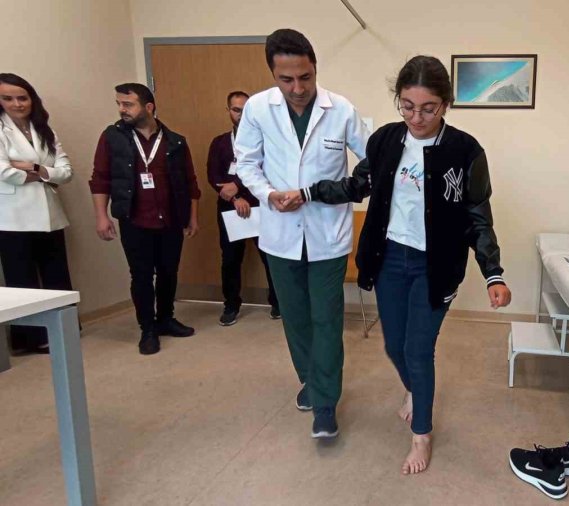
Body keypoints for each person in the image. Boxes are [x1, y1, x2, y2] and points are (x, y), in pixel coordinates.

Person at [301, 55, 512, 474]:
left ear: (445, 104)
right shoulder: (385, 140)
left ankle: (421, 435)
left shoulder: (465, 150)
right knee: (393, 345)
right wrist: (308, 192)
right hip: (390, 259)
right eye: (408, 106)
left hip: (437, 265)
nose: (416, 118)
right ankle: (415, 390)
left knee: (418, 350)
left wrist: (493, 273)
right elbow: (356, 185)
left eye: (428, 108)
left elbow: (477, 215)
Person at [234, 29, 370, 439]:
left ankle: (325, 403)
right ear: (272, 74)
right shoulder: (258, 108)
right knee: (295, 318)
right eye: (286, 79)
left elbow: (372, 157)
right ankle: (311, 381)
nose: (297, 88)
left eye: (305, 77)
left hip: (328, 233)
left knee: (326, 318)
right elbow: (246, 163)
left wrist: (343, 188)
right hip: (279, 233)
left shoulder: (340, 109)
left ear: (315, 68)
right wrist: (268, 194)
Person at [89, 83, 201, 355]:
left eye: (128, 104)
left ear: (148, 107)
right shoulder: (112, 138)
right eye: (119, 104)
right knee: (140, 275)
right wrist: (102, 216)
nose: (122, 109)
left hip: (170, 219)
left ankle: (166, 319)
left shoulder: (175, 141)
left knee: (168, 272)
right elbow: (100, 179)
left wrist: (192, 217)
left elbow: (190, 182)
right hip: (135, 219)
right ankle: (147, 329)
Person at [0, 73, 75, 354]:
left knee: (57, 276)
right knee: (22, 282)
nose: (17, 104)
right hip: (13, 218)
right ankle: (28, 340)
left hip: (50, 213)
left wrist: (32, 168)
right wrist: (44, 173)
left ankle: (64, 330)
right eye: (8, 98)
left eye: (22, 97)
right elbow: (3, 171)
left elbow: (66, 173)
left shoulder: (44, 130)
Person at [207, 90, 279, 326]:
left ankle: (277, 302)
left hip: (260, 205)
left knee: (270, 256)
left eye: (245, 109)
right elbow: (213, 176)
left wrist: (238, 186)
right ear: (228, 111)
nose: (240, 114)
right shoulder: (220, 143)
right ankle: (231, 305)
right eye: (236, 109)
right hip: (230, 209)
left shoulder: (263, 140)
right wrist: (235, 198)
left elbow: (266, 170)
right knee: (230, 259)